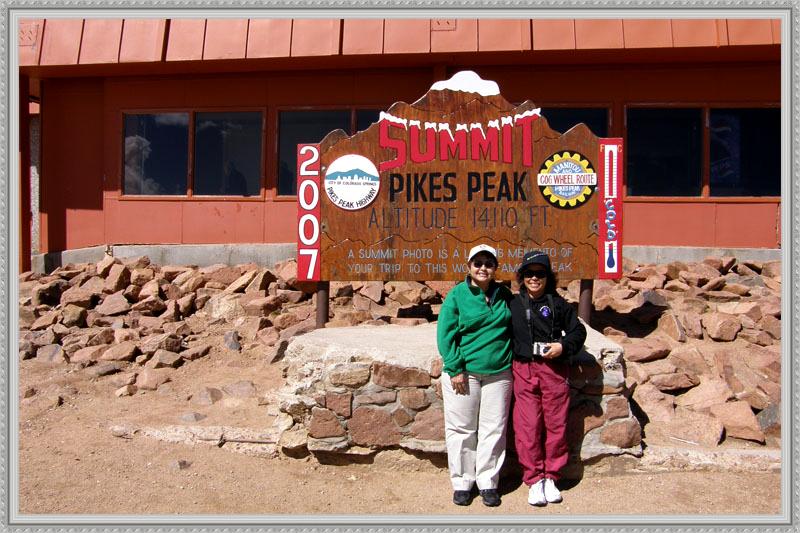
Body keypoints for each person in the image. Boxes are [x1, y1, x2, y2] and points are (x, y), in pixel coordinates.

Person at [436, 244, 514, 508]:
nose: (483, 268)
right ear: (468, 266)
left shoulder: (504, 294)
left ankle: (488, 481)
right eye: (478, 263)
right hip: (464, 373)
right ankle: (462, 482)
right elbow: (445, 334)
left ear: (495, 268)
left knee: (494, 428)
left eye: (489, 263)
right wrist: (455, 368)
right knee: (461, 429)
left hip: (499, 373)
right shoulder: (457, 295)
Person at [509, 250, 587, 507]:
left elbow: (578, 330)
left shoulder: (558, 303)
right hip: (524, 369)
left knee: (556, 425)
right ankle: (533, 479)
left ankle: (551, 477)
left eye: (539, 274)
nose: (534, 278)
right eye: (529, 273)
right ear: (522, 277)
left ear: (547, 277)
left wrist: (563, 347)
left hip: (553, 370)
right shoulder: (512, 304)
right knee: (528, 427)